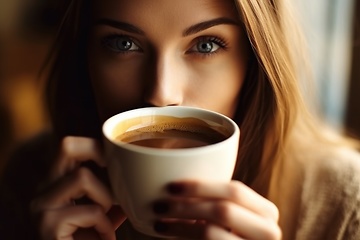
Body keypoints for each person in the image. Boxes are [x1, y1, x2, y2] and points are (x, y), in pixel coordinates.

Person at [1, 0, 360, 239]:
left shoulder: (346, 205)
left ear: (255, 63)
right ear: (85, 58)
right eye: (122, 44)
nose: (161, 94)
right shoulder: (32, 179)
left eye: (206, 45)